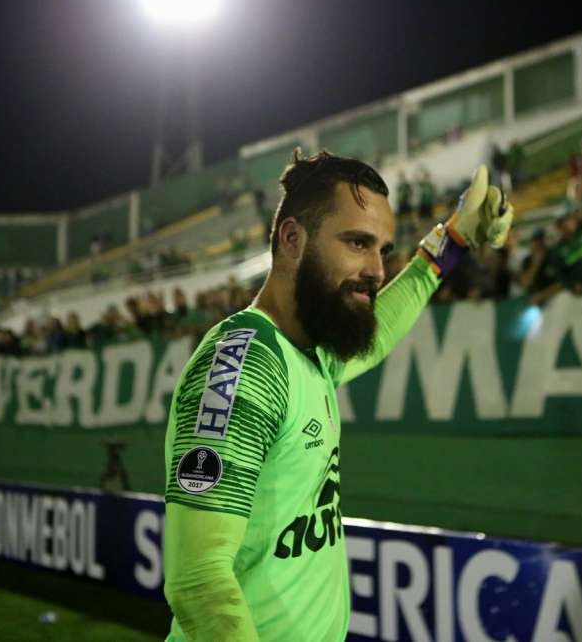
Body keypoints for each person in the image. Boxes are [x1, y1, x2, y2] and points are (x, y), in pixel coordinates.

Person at [161, 150, 512, 642]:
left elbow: (380, 330)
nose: (376, 269)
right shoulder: (246, 365)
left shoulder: (309, 352)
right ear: (292, 238)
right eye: (357, 243)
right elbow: (198, 581)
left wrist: (448, 244)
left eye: (382, 250)